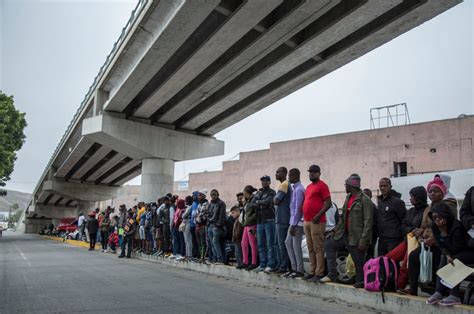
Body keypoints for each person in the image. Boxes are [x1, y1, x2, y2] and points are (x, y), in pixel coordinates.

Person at [321, 174, 373, 288]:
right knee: (329, 244)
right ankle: (332, 274)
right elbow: (343, 218)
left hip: (357, 237)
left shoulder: (365, 200)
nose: (345, 187)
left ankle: (360, 282)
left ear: (351, 186)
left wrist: (364, 240)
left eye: (346, 185)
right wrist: (334, 231)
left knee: (358, 261)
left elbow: (368, 221)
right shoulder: (348, 198)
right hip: (344, 234)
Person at [407, 176, 450, 295]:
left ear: (442, 192)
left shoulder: (446, 206)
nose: (432, 194)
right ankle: (413, 289)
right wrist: (419, 234)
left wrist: (434, 239)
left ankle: (439, 291)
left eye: (436, 191)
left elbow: (446, 227)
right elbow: (423, 226)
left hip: (439, 243)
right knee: (413, 257)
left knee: (437, 262)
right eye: (430, 191)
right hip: (425, 242)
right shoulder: (428, 208)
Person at [426, 202, 474, 306]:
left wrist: (444, 233)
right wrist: (447, 254)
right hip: (452, 252)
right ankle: (439, 292)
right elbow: (440, 245)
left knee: (456, 259)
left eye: (439, 217)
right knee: (444, 257)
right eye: (434, 217)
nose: (437, 220)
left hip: (468, 251)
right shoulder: (435, 226)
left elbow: (457, 248)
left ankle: (454, 294)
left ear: (445, 215)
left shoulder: (456, 226)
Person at [388, 186, 430, 292]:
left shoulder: (426, 211)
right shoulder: (410, 211)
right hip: (408, 240)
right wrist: (412, 229)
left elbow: (425, 227)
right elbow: (403, 226)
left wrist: (417, 231)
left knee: (406, 266)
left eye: (412, 197)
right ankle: (388, 281)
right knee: (388, 258)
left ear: (418, 197)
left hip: (418, 242)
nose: (410, 199)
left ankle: (400, 287)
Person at [302, 165, 332, 282]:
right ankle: (312, 271)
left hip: (317, 221)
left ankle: (319, 273)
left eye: (314, 172)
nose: (311, 174)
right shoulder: (309, 187)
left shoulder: (323, 186)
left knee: (318, 247)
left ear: (319, 173)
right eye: (310, 172)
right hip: (307, 221)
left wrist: (318, 215)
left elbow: (328, 203)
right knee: (310, 248)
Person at [375, 178, 406, 256]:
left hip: (393, 239)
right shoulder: (380, 201)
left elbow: (403, 219)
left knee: (392, 262)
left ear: (390, 186)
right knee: (381, 262)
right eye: (381, 186)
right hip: (382, 238)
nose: (382, 188)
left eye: (385, 186)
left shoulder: (397, 202)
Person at [284, 168, 305, 278]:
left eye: (290, 176)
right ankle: (294, 268)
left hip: (297, 223)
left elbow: (298, 209)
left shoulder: (299, 189)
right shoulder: (294, 189)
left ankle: (299, 270)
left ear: (296, 176)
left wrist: (293, 225)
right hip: (292, 222)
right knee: (288, 243)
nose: (288, 177)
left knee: (296, 246)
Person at [254, 175, 276, 273]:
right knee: (260, 244)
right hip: (259, 221)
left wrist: (259, 202)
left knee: (270, 244)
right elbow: (252, 204)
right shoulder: (258, 193)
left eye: (266, 180)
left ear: (270, 182)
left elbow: (268, 202)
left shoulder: (272, 192)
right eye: (262, 181)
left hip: (269, 220)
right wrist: (260, 203)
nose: (264, 182)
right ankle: (262, 264)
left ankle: (270, 265)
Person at [274, 167, 292, 274]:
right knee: (277, 244)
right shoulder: (282, 184)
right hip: (279, 218)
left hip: (283, 219)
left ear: (284, 173)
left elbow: (276, 200)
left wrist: (276, 199)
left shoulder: (285, 184)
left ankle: (284, 266)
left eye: (278, 172)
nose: (276, 174)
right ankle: (280, 264)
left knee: (282, 244)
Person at [207, 189, 227, 264]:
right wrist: (208, 222)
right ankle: (215, 258)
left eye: (214, 194)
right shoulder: (210, 204)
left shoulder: (221, 203)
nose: (213, 196)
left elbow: (222, 216)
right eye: (212, 195)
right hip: (210, 225)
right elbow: (208, 214)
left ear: (218, 195)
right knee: (211, 243)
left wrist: (218, 224)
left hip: (216, 226)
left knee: (215, 242)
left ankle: (220, 259)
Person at [242, 185, 259, 270]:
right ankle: (245, 262)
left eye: (244, 192)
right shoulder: (247, 200)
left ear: (247, 192)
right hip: (246, 224)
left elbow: (257, 212)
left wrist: (250, 219)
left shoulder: (254, 199)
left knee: (253, 244)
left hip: (252, 224)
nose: (243, 194)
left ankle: (254, 262)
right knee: (243, 243)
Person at [195, 190, 209, 262]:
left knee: (203, 242)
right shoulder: (199, 205)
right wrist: (196, 220)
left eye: (200, 195)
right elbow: (196, 215)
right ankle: (200, 255)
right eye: (198, 195)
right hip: (197, 225)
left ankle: (203, 256)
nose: (198, 196)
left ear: (204, 196)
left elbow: (204, 215)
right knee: (199, 242)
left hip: (203, 225)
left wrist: (199, 220)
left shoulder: (206, 204)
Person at [182, 196, 194, 260]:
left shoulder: (190, 207)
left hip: (188, 223)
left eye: (186, 200)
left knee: (188, 240)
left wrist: (182, 214)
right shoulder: (188, 207)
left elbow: (184, 215)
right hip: (185, 223)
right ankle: (187, 254)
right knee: (186, 240)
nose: (185, 202)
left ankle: (189, 254)